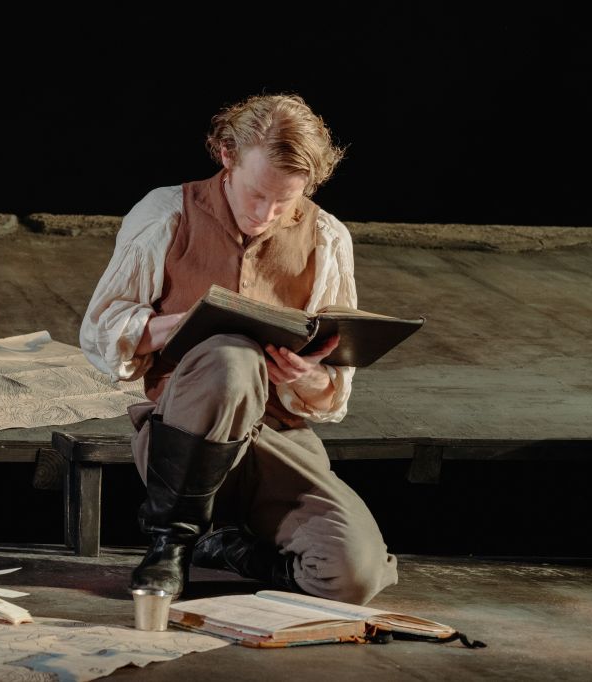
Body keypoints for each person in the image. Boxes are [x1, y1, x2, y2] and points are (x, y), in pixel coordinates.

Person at [79, 93, 398, 605]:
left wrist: (304, 376)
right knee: (232, 353)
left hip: (278, 441)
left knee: (352, 576)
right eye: (257, 194)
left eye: (284, 201)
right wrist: (181, 326)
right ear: (228, 156)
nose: (266, 213)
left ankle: (231, 549)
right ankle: (171, 543)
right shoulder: (167, 212)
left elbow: (331, 395)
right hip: (187, 436)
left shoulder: (326, 236)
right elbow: (102, 330)